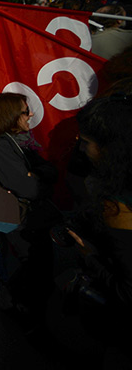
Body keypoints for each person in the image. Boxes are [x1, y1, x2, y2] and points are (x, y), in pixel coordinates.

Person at [0, 93, 57, 312]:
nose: (31, 115)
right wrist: (38, 181)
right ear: (9, 116)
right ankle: (21, 307)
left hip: (25, 217)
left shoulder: (16, 141)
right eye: (25, 112)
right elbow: (29, 188)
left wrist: (36, 174)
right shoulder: (0, 146)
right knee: (35, 264)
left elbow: (50, 170)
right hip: (20, 218)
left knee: (38, 264)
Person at [62, 94, 132, 358]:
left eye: (87, 142)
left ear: (115, 148)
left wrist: (90, 256)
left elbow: (127, 292)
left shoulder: (119, 211)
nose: (80, 149)